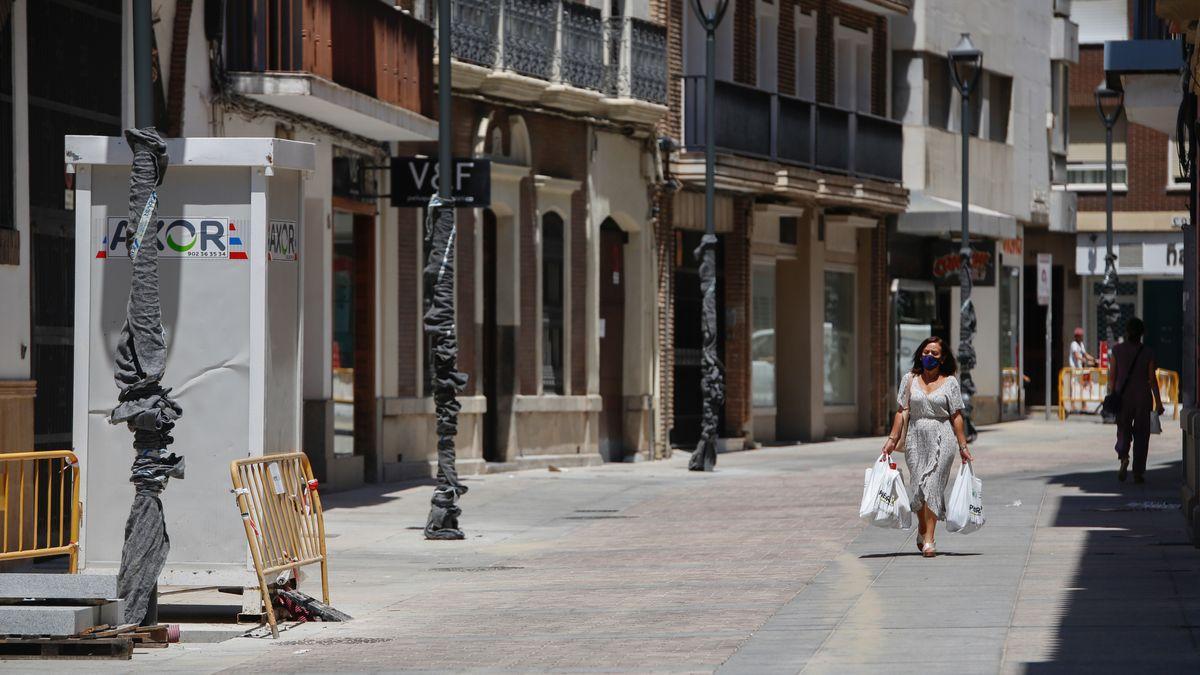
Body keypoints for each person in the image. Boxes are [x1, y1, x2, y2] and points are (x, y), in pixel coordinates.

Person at [881, 336, 973, 558]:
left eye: (934, 354)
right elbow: (901, 410)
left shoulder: (950, 382)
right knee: (919, 488)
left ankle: (930, 538)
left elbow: (957, 416)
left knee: (933, 485)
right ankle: (922, 528)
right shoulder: (909, 379)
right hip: (915, 438)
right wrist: (892, 440)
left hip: (943, 435)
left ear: (942, 359)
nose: (929, 356)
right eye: (925, 352)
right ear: (920, 354)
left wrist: (963, 445)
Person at [1108, 318, 1164, 483]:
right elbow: (1152, 380)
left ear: (1126, 332)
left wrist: (1112, 394)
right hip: (1143, 398)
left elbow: (1112, 377)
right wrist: (1159, 402)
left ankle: (1124, 456)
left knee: (1123, 429)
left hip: (1122, 398)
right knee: (1142, 434)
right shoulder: (1148, 352)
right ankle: (1138, 472)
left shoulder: (1117, 350)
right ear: (1142, 334)